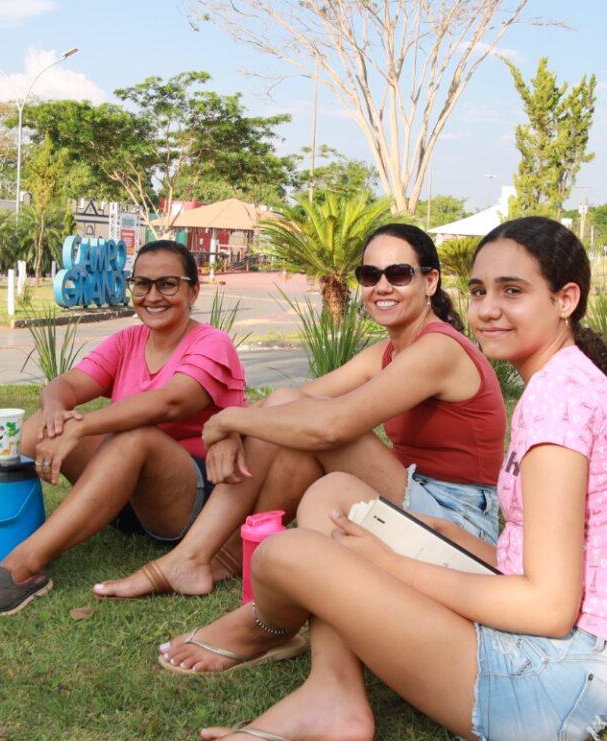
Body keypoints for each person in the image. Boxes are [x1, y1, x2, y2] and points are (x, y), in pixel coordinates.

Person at [190, 216, 607, 741]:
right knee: (333, 498)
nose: (487, 309)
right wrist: (453, 536)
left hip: (549, 686)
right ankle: (332, 691)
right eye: (481, 290)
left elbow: (549, 608)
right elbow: (546, 561)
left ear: (565, 299)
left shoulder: (559, 406)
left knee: (290, 552)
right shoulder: (563, 383)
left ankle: (275, 636)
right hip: (558, 661)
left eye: (513, 291)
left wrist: (395, 565)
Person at [131, 223, 507, 675]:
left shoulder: (439, 351)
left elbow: (334, 426)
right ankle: (215, 557)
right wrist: (235, 425)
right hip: (419, 497)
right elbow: (296, 399)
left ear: (430, 282)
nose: (381, 286)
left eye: (399, 274)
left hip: (457, 521)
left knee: (303, 421)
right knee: (292, 423)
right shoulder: (388, 352)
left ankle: (202, 561)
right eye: (370, 275)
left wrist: (227, 419)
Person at [0, 240, 246, 619]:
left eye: (168, 284)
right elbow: (66, 385)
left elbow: (171, 402)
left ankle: (24, 564)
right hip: (122, 493)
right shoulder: (129, 340)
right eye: (142, 283)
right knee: (44, 424)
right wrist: (57, 413)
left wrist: (83, 425)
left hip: (187, 503)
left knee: (136, 435)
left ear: (193, 292)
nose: (153, 296)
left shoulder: (212, 343)